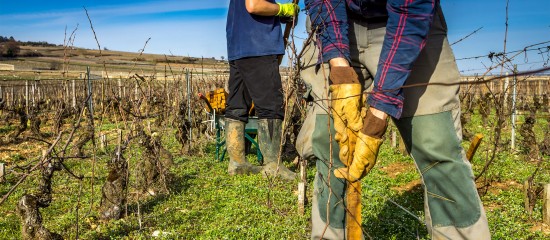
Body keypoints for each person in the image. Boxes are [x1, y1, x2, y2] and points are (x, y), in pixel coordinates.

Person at [296, 0, 491, 239]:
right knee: (330, 147)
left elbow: (410, 10)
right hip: (338, 22)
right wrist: (338, 65)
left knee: (437, 146)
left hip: (408, 26)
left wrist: (379, 113)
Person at [225, 0, 299, 180]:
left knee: (236, 106)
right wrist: (283, 9)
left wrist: (280, 14)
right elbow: (254, 5)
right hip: (259, 46)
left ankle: (237, 162)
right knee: (271, 106)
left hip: (238, 48)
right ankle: (273, 166)